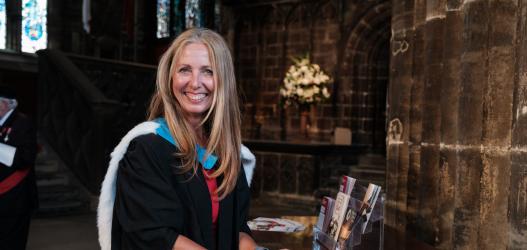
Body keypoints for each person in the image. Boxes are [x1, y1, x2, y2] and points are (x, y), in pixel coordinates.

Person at [97, 28, 257, 250]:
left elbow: (238, 229)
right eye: (184, 70)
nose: (195, 83)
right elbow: (155, 236)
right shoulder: (146, 148)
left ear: (223, 81)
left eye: (208, 71)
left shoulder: (228, 153)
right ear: (170, 78)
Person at [0, 87, 38, 250]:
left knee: (12, 241)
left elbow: (26, 158)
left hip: (16, 196)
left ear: (4, 105)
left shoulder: (23, 123)